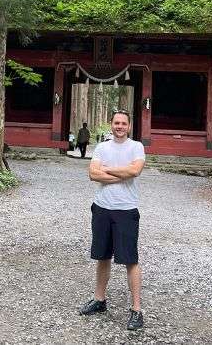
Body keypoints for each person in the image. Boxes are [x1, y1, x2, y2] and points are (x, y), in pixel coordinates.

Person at [79, 109, 146, 331]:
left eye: (123, 123)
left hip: (126, 210)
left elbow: (135, 171)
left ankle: (137, 309)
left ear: (129, 126)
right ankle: (100, 300)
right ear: (111, 124)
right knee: (102, 256)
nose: (119, 126)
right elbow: (92, 175)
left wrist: (107, 170)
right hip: (102, 208)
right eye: (116, 122)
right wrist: (122, 173)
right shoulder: (102, 147)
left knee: (130, 259)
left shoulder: (136, 147)